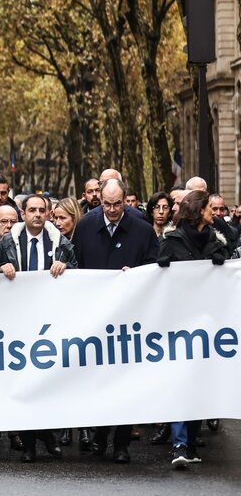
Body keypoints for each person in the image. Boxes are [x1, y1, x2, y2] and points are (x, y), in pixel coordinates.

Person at [72, 178, 158, 463]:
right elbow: (76, 265)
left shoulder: (142, 230)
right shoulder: (85, 226)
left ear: (125, 201)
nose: (110, 209)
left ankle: (121, 443)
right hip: (94, 319)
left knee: (126, 383)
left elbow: (154, 268)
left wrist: (136, 274)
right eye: (106, 204)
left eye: (116, 204)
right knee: (98, 381)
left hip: (130, 320)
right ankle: (99, 434)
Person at [0, 195, 78, 462]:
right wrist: (2, 266)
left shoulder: (60, 243)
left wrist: (66, 266)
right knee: (24, 383)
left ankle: (46, 434)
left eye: (41, 210)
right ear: (23, 213)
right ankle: (33, 443)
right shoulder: (9, 242)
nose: (36, 214)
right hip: (18, 323)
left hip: (49, 324)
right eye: (31, 210)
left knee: (45, 384)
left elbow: (79, 271)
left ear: (48, 213)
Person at [157, 190, 229, 469]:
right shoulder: (171, 240)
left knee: (199, 382)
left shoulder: (213, 239)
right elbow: (157, 269)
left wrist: (218, 258)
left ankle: (189, 441)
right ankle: (178, 443)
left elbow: (227, 254)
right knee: (180, 382)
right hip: (178, 324)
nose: (215, 212)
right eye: (211, 208)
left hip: (208, 326)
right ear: (199, 211)